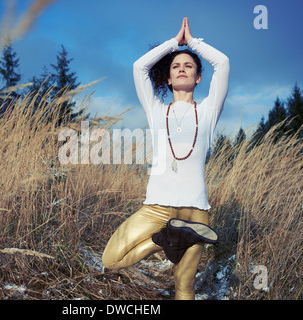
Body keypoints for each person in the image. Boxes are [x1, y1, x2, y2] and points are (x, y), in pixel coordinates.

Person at [102, 17, 230, 300]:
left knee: (184, 286)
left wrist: (193, 42)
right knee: (111, 259)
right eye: (176, 66)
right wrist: (174, 43)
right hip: (156, 210)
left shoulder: (208, 112)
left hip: (195, 213)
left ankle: (178, 234)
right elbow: (139, 67)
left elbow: (222, 63)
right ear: (169, 78)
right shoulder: (157, 111)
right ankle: (166, 239)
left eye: (189, 66)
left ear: (198, 77)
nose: (182, 69)